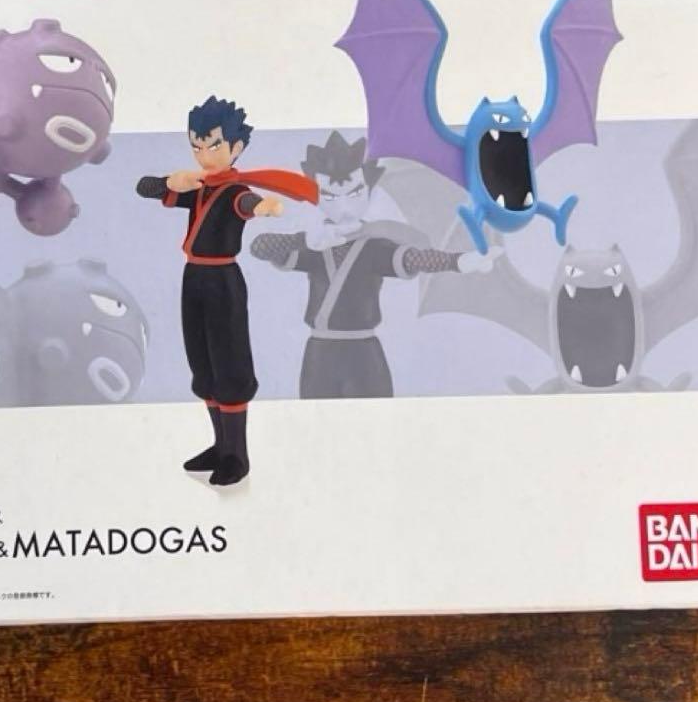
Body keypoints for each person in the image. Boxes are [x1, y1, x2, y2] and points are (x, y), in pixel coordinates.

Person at [136, 96, 317, 485]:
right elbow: (143, 187)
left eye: (212, 145)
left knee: (230, 362)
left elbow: (248, 203)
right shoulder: (197, 186)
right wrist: (170, 182)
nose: (203, 155)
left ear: (236, 147)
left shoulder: (234, 191)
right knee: (203, 363)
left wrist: (264, 207)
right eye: (196, 146)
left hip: (222, 281)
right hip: (193, 279)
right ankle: (220, 446)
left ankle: (237, 454)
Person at [251, 131, 497, 398]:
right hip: (319, 355)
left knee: (375, 416)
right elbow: (259, 247)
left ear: (368, 191)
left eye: (354, 193)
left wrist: (457, 261)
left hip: (364, 355)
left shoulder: (374, 246)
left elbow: (414, 258)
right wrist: (305, 240)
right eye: (331, 197)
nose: (344, 207)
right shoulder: (314, 245)